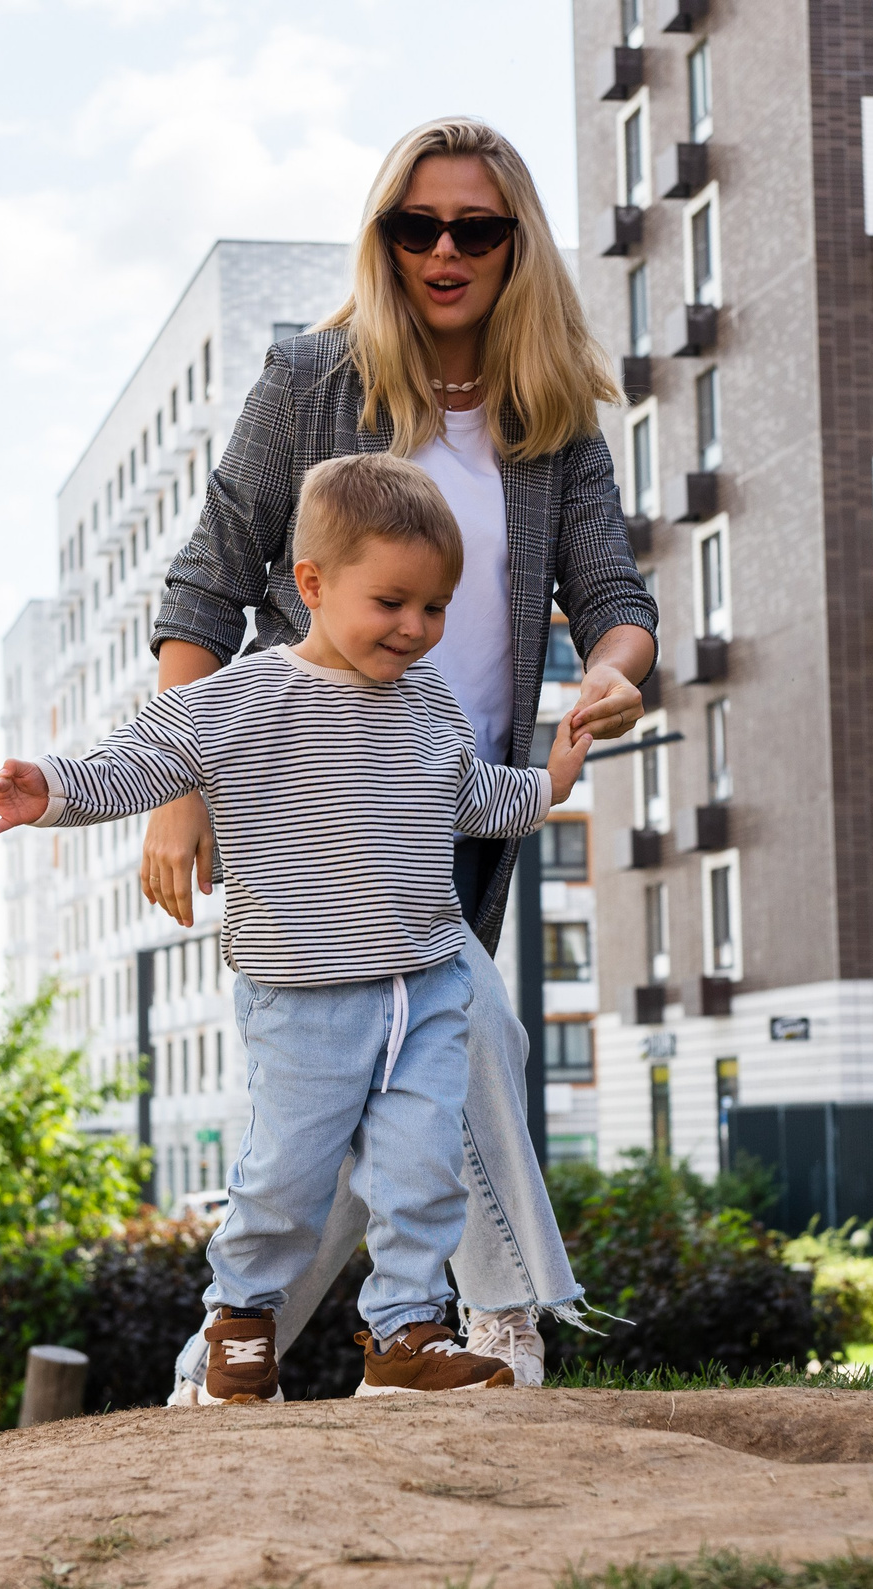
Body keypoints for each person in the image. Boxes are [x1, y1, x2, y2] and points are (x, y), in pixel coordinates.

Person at [147, 116, 656, 1396]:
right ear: (382, 240)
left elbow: (614, 589)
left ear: (515, 245)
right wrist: (174, 793)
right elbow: (205, 590)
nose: (443, 249)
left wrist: (611, 673)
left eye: (475, 228)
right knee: (472, 1033)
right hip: (309, 810)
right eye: (414, 225)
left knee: (360, 1118)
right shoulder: (311, 382)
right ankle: (500, 1320)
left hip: (458, 814)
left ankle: (213, 1376)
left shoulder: (550, 419)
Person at [0, 455, 592, 1400]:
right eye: (393, 602)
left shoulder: (426, 703)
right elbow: (138, 765)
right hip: (303, 999)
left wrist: (550, 783)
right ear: (314, 584)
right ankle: (239, 1326)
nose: (416, 628)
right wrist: (51, 791)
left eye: (436, 608)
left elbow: (468, 796)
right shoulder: (241, 701)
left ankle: (406, 1336)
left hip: (424, 986)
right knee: (285, 1181)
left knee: (421, 1173)